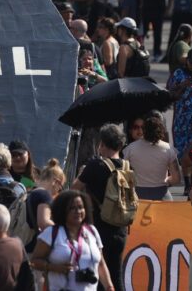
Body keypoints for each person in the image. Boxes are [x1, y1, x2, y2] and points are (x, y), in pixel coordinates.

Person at [72, 124, 129, 291]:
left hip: (99, 228)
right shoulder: (127, 166)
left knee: (99, 275)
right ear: (120, 145)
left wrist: (82, 175)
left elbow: (74, 189)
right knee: (116, 275)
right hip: (121, 228)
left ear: (102, 143)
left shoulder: (95, 165)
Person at [30, 190, 115, 291]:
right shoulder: (52, 233)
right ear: (62, 210)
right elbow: (33, 262)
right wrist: (53, 267)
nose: (77, 211)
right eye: (72, 208)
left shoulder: (92, 231)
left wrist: (109, 287)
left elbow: (101, 263)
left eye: (80, 207)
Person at [123, 110, 181, 200]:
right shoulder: (169, 149)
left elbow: (124, 174)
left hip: (139, 197)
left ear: (144, 129)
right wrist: (166, 180)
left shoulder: (130, 149)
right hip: (163, 196)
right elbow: (176, 179)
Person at [23, 159, 65, 255]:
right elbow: (43, 222)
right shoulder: (44, 195)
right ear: (56, 182)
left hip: (22, 244)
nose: (58, 191)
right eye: (61, 188)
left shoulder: (30, 192)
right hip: (31, 250)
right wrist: (65, 231)